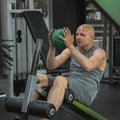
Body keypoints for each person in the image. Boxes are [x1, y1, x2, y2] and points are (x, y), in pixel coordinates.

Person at [15, 24, 106, 120]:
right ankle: (21, 117)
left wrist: (71, 46)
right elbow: (51, 65)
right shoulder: (71, 50)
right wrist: (52, 47)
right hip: (71, 83)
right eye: (77, 34)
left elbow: (88, 66)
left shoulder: (99, 52)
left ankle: (44, 119)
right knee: (37, 78)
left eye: (82, 35)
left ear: (91, 38)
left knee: (60, 80)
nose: (78, 37)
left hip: (86, 90)